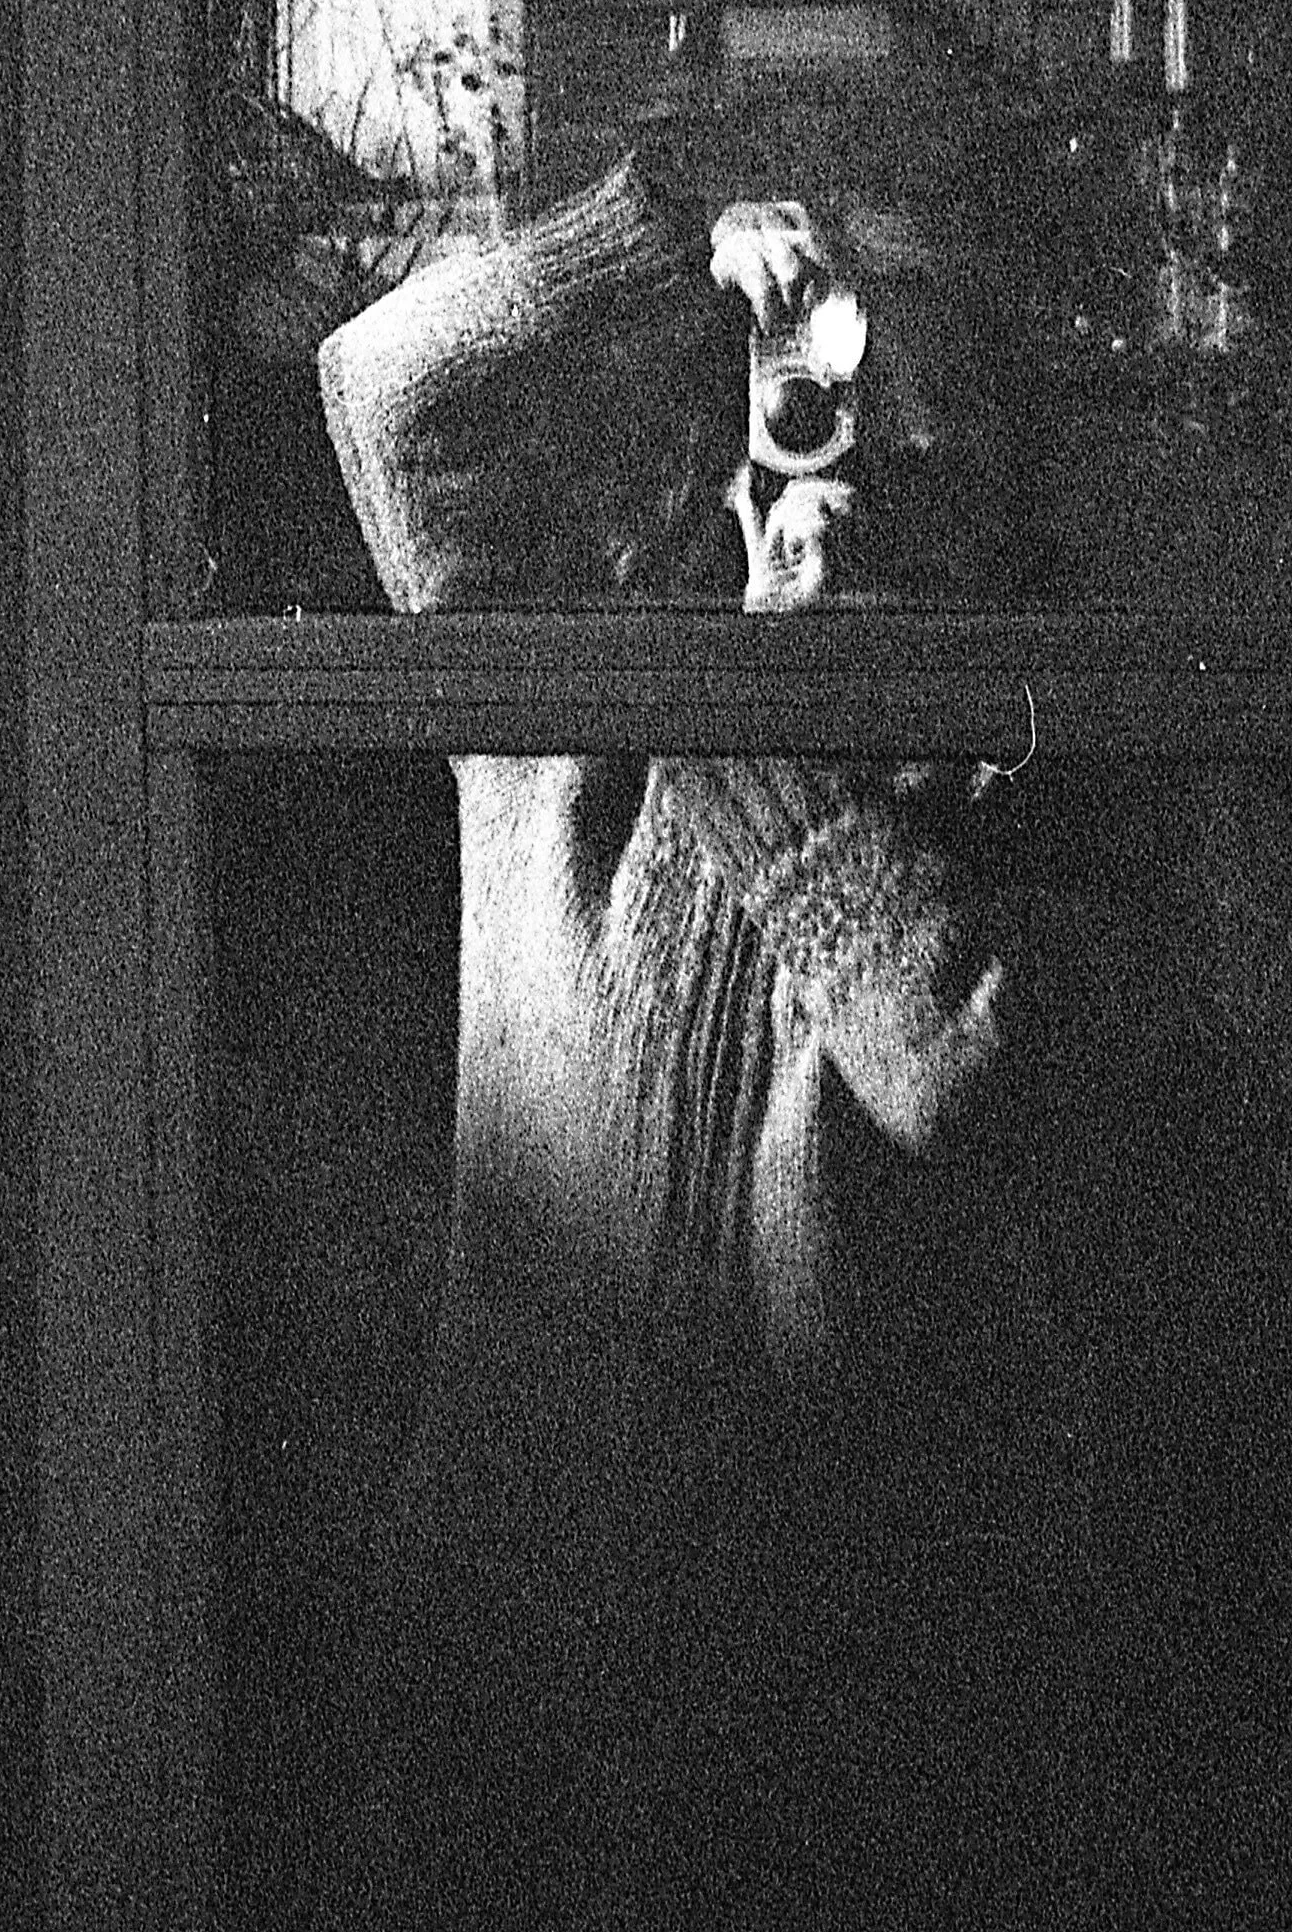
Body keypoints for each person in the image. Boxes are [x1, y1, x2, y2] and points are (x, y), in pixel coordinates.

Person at [312, 150, 1292, 1929]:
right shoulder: (566, 748)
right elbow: (388, 400)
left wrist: (798, 760)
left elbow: (966, 1063)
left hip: (811, 1755)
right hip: (499, 1676)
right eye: (807, 424)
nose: (831, 497)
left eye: (898, 474)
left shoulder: (1012, 852)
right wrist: (657, 229)